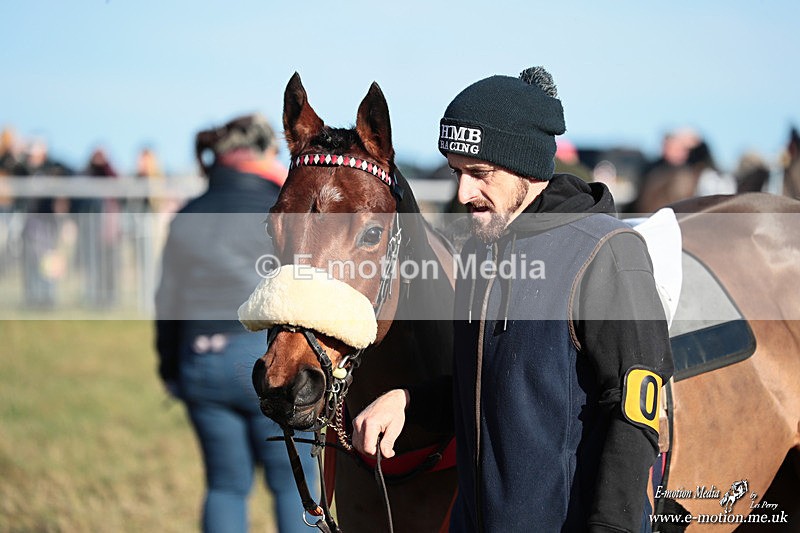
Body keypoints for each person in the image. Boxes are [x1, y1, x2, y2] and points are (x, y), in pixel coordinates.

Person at [352, 67, 673, 532]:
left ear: (526, 165)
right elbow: (490, 388)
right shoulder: (479, 251)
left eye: (479, 173)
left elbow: (635, 413)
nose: (463, 192)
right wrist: (408, 401)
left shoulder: (607, 252)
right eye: (456, 172)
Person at [155, 113, 317, 533]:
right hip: (266, 359)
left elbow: (167, 301)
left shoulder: (188, 213)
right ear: (265, 152)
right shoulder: (282, 209)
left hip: (200, 361)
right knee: (294, 484)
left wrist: (170, 369)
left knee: (225, 486)